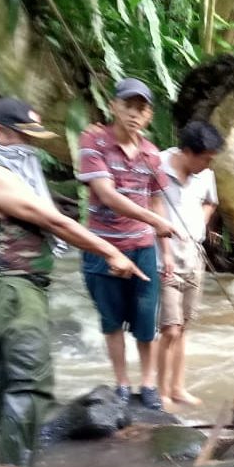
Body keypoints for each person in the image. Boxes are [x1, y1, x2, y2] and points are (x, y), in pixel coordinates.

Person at [0, 97, 147, 467]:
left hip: (3, 284)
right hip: (11, 287)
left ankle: (11, 452)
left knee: (8, 374)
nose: (32, 146)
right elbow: (55, 220)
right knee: (30, 376)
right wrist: (110, 252)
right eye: (25, 136)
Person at [78, 78, 177, 410]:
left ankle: (147, 384)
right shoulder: (93, 140)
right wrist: (155, 221)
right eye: (129, 106)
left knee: (146, 319)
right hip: (102, 247)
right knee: (111, 320)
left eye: (142, 108)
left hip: (143, 247)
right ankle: (122, 383)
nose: (135, 114)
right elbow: (107, 194)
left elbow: (157, 200)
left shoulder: (151, 154)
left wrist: (166, 251)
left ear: (149, 116)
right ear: (114, 106)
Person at [156, 121, 224, 406]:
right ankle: (159, 393)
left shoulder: (205, 174)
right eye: (205, 158)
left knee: (184, 327)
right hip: (164, 257)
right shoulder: (158, 165)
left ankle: (177, 388)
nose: (208, 165)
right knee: (169, 329)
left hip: (193, 255)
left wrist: (199, 224)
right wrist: (166, 248)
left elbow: (211, 202)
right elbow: (150, 207)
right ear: (187, 152)